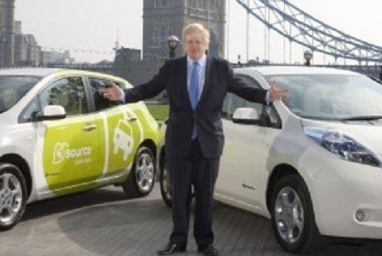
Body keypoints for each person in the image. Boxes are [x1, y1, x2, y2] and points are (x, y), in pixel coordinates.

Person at [99, 23, 286, 256]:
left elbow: (243, 90)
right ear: (184, 45)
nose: (194, 46)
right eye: (190, 42)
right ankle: (178, 241)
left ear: (206, 45)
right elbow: (150, 88)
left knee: (206, 196)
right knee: (179, 195)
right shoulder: (172, 67)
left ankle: (205, 243)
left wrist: (267, 95)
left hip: (208, 142)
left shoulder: (221, 68)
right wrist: (124, 94)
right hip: (180, 141)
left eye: (198, 42)